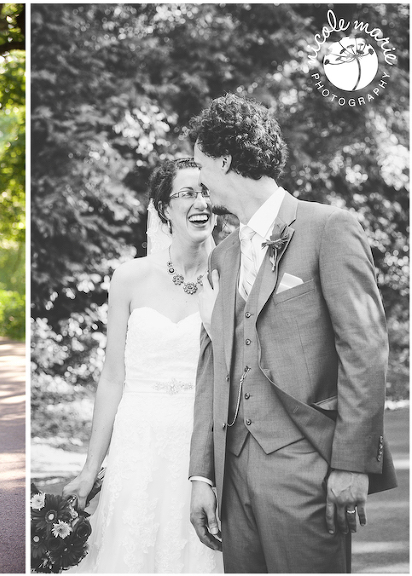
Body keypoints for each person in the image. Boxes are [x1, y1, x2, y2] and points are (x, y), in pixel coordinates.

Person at [188, 94, 396, 572]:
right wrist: (202, 473)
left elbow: (364, 348)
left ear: (223, 160)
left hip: (308, 465)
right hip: (232, 468)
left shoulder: (329, 227)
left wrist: (351, 463)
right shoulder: (222, 255)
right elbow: (214, 367)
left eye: (201, 165)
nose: (200, 182)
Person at [62, 158, 222, 573]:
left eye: (205, 192)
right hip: (138, 445)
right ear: (165, 209)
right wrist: (89, 469)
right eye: (187, 193)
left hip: (201, 446)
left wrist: (214, 321)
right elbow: (113, 378)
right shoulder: (129, 278)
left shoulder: (232, 276)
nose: (200, 201)